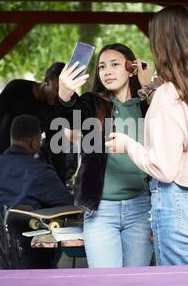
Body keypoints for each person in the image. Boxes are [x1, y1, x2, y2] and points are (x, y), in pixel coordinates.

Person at [106, 5, 188, 266]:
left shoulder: (167, 97)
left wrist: (128, 144)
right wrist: (150, 86)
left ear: (163, 44)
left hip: (181, 205)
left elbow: (163, 169)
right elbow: (183, 115)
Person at [56, 43, 153, 268]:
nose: (107, 71)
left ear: (132, 68)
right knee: (104, 283)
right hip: (101, 211)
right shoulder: (93, 102)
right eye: (102, 66)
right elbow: (71, 116)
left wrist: (150, 86)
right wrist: (64, 93)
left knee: (136, 285)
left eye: (115, 64)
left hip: (142, 208)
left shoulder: (148, 105)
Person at [0, 114, 74, 269]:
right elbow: (68, 206)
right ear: (34, 143)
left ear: (12, 138)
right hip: (25, 254)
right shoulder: (40, 171)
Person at [0, 62, 72, 183]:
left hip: (22, 166)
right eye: (57, 90)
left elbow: (56, 151)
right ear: (47, 81)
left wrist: (61, 184)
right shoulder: (17, 88)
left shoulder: (55, 109)